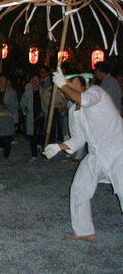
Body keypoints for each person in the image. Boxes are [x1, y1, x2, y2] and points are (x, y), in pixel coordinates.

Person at [44, 69, 123, 241]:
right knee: (79, 188)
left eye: (68, 84)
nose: (64, 90)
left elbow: (84, 99)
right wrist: (59, 147)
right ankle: (84, 231)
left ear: (79, 83)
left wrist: (62, 83)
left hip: (118, 149)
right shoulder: (74, 110)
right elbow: (79, 138)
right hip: (96, 154)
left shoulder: (96, 92)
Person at [0, 74, 18, 162]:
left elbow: (15, 105)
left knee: (7, 138)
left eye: (3, 79)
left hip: (6, 117)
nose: (1, 81)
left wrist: (5, 106)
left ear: (6, 81)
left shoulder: (12, 92)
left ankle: (6, 156)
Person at [20, 74, 45, 161]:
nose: (35, 82)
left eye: (37, 80)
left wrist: (44, 112)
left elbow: (48, 104)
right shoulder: (27, 93)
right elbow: (22, 104)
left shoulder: (44, 92)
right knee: (32, 136)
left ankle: (43, 151)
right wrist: (25, 111)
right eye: (33, 80)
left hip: (42, 116)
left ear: (39, 81)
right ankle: (34, 154)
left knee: (42, 134)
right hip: (31, 117)